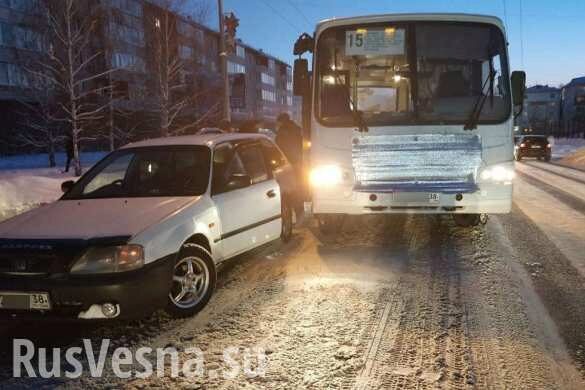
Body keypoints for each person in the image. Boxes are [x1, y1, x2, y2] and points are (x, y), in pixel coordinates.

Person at [275, 113, 304, 218]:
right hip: (298, 162)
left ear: (281, 121)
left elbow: (279, 147)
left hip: (288, 163)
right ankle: (300, 210)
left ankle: (293, 212)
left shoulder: (283, 132)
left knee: (289, 188)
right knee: (297, 186)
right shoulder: (297, 129)